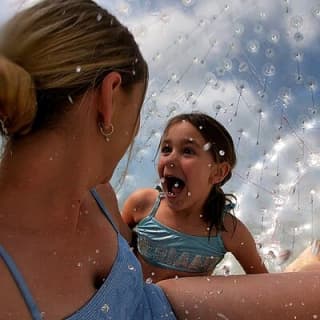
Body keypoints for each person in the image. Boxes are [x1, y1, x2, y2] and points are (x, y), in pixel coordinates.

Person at [0, 1, 319, 319]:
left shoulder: (101, 195)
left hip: (166, 301)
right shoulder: (117, 200)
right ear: (108, 98)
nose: (167, 157)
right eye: (137, 114)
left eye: (189, 150)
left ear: (219, 172)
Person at [122, 112, 268, 282]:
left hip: (182, 309)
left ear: (218, 172)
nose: (171, 159)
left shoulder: (227, 230)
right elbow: (111, 251)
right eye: (166, 149)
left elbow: (263, 283)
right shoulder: (143, 204)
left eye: (187, 151)